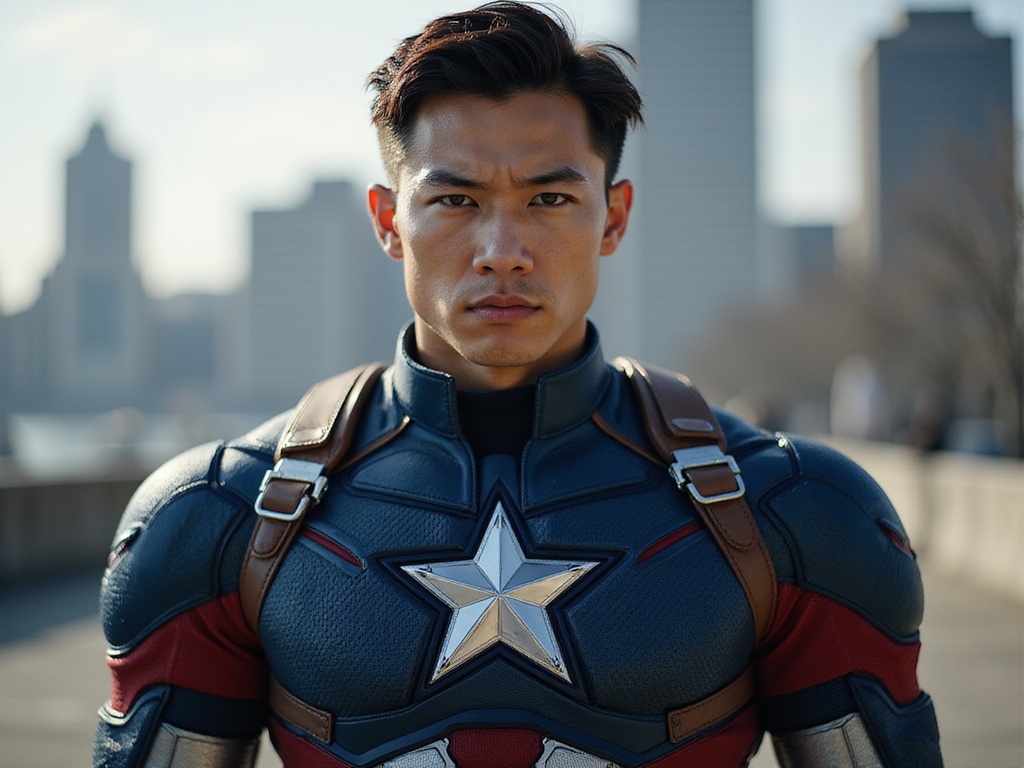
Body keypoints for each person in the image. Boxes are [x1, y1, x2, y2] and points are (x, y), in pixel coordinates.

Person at [93, 3, 942, 766]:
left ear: (612, 218)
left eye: (548, 199)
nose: (503, 248)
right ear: (390, 223)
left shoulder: (793, 514)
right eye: (456, 201)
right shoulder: (218, 519)